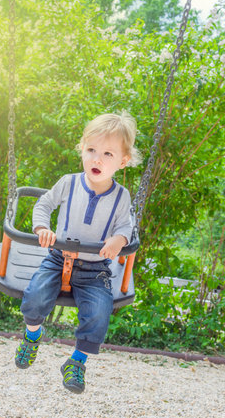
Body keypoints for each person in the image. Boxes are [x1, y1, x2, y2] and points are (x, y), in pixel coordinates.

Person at [15, 111, 141, 394]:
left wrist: (118, 241)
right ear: (82, 148)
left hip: (95, 269)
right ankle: (33, 335)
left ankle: (77, 361)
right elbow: (44, 205)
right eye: (92, 150)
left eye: (107, 154)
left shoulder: (122, 197)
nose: (97, 158)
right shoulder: (69, 182)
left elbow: (126, 226)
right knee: (33, 298)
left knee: (99, 313)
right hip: (58, 259)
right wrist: (42, 228)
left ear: (123, 161)